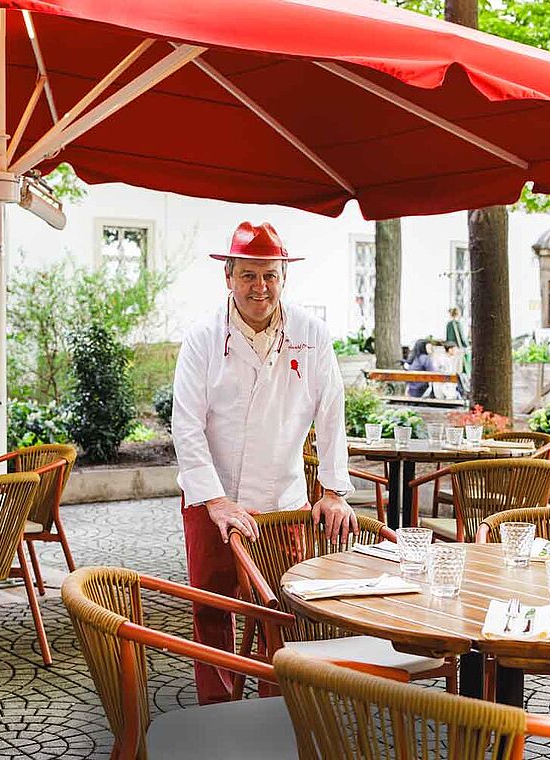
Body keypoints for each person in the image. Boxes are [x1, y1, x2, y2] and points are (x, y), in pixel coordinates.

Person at [171, 221, 357, 705]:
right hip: (214, 499)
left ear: (283, 277)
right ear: (228, 277)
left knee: (283, 608)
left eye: (270, 276)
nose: (260, 287)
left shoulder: (311, 335)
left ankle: (278, 706)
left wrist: (334, 490)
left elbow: (332, 409)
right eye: (249, 275)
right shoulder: (202, 338)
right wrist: (214, 500)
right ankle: (216, 708)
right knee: (212, 608)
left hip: (281, 501)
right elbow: (186, 425)